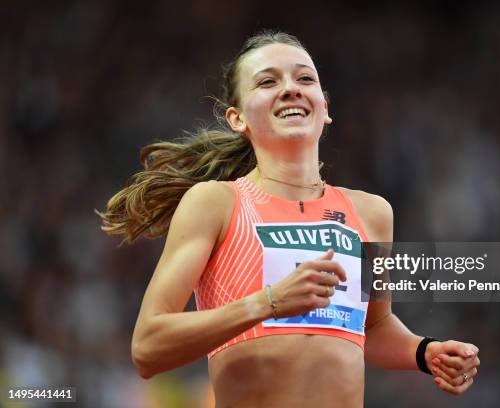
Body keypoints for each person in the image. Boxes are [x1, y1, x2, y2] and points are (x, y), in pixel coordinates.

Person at [98, 30, 480, 407]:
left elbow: (373, 328)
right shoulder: (216, 203)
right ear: (237, 118)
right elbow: (147, 347)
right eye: (267, 81)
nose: (291, 88)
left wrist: (424, 352)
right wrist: (268, 303)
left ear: (325, 108)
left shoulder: (371, 213)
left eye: (305, 78)